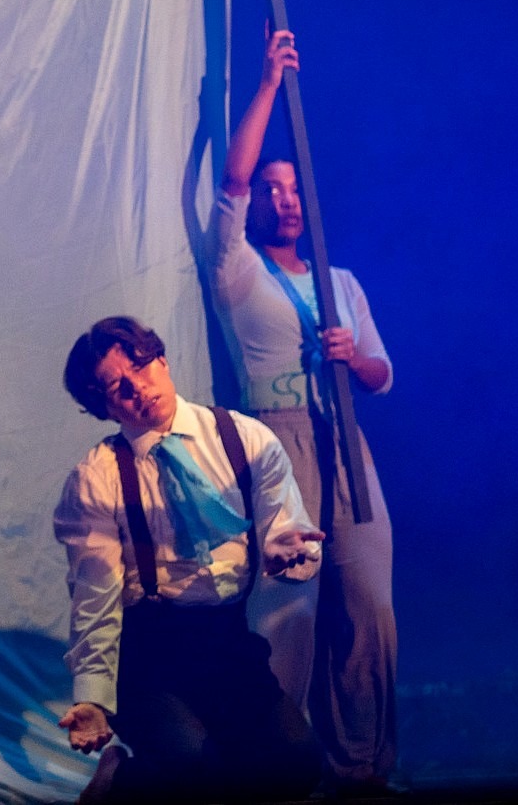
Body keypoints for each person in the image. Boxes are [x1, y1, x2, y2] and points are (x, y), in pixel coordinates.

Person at [215, 28, 397, 791]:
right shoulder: (238, 269)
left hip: (346, 441)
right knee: (289, 611)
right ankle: (281, 767)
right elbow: (235, 174)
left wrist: (351, 358)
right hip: (279, 443)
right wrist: (265, 85)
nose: (284, 200)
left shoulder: (341, 278)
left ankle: (364, 767)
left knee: (369, 611)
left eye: (297, 191)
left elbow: (383, 375)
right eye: (275, 191)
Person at [54, 316, 324, 803]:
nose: (138, 388)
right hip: (149, 658)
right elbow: (94, 601)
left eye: (140, 366)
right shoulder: (98, 477)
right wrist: (92, 698)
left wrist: (290, 551)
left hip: (227, 645)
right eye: (117, 388)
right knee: (194, 770)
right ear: (104, 406)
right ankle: (121, 781)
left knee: (297, 765)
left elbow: (291, 532)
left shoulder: (246, 439)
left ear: (161, 359)